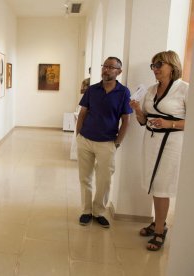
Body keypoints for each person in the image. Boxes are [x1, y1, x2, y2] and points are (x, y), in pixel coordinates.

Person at [130, 50, 188, 251]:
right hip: (151, 142)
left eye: (159, 65)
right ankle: (157, 221)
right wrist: (137, 110)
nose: (155, 69)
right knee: (154, 184)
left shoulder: (184, 89)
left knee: (162, 187)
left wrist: (168, 123)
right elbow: (143, 120)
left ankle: (160, 230)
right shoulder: (151, 90)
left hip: (172, 144)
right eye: (153, 66)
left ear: (172, 66)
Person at [76, 57, 132, 228]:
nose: (106, 70)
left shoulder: (123, 92)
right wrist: (78, 136)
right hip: (85, 140)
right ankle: (86, 211)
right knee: (85, 178)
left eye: (111, 67)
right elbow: (83, 113)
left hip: (107, 142)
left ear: (119, 72)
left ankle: (98, 211)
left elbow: (126, 120)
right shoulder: (92, 90)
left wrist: (117, 143)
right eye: (104, 66)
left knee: (104, 180)